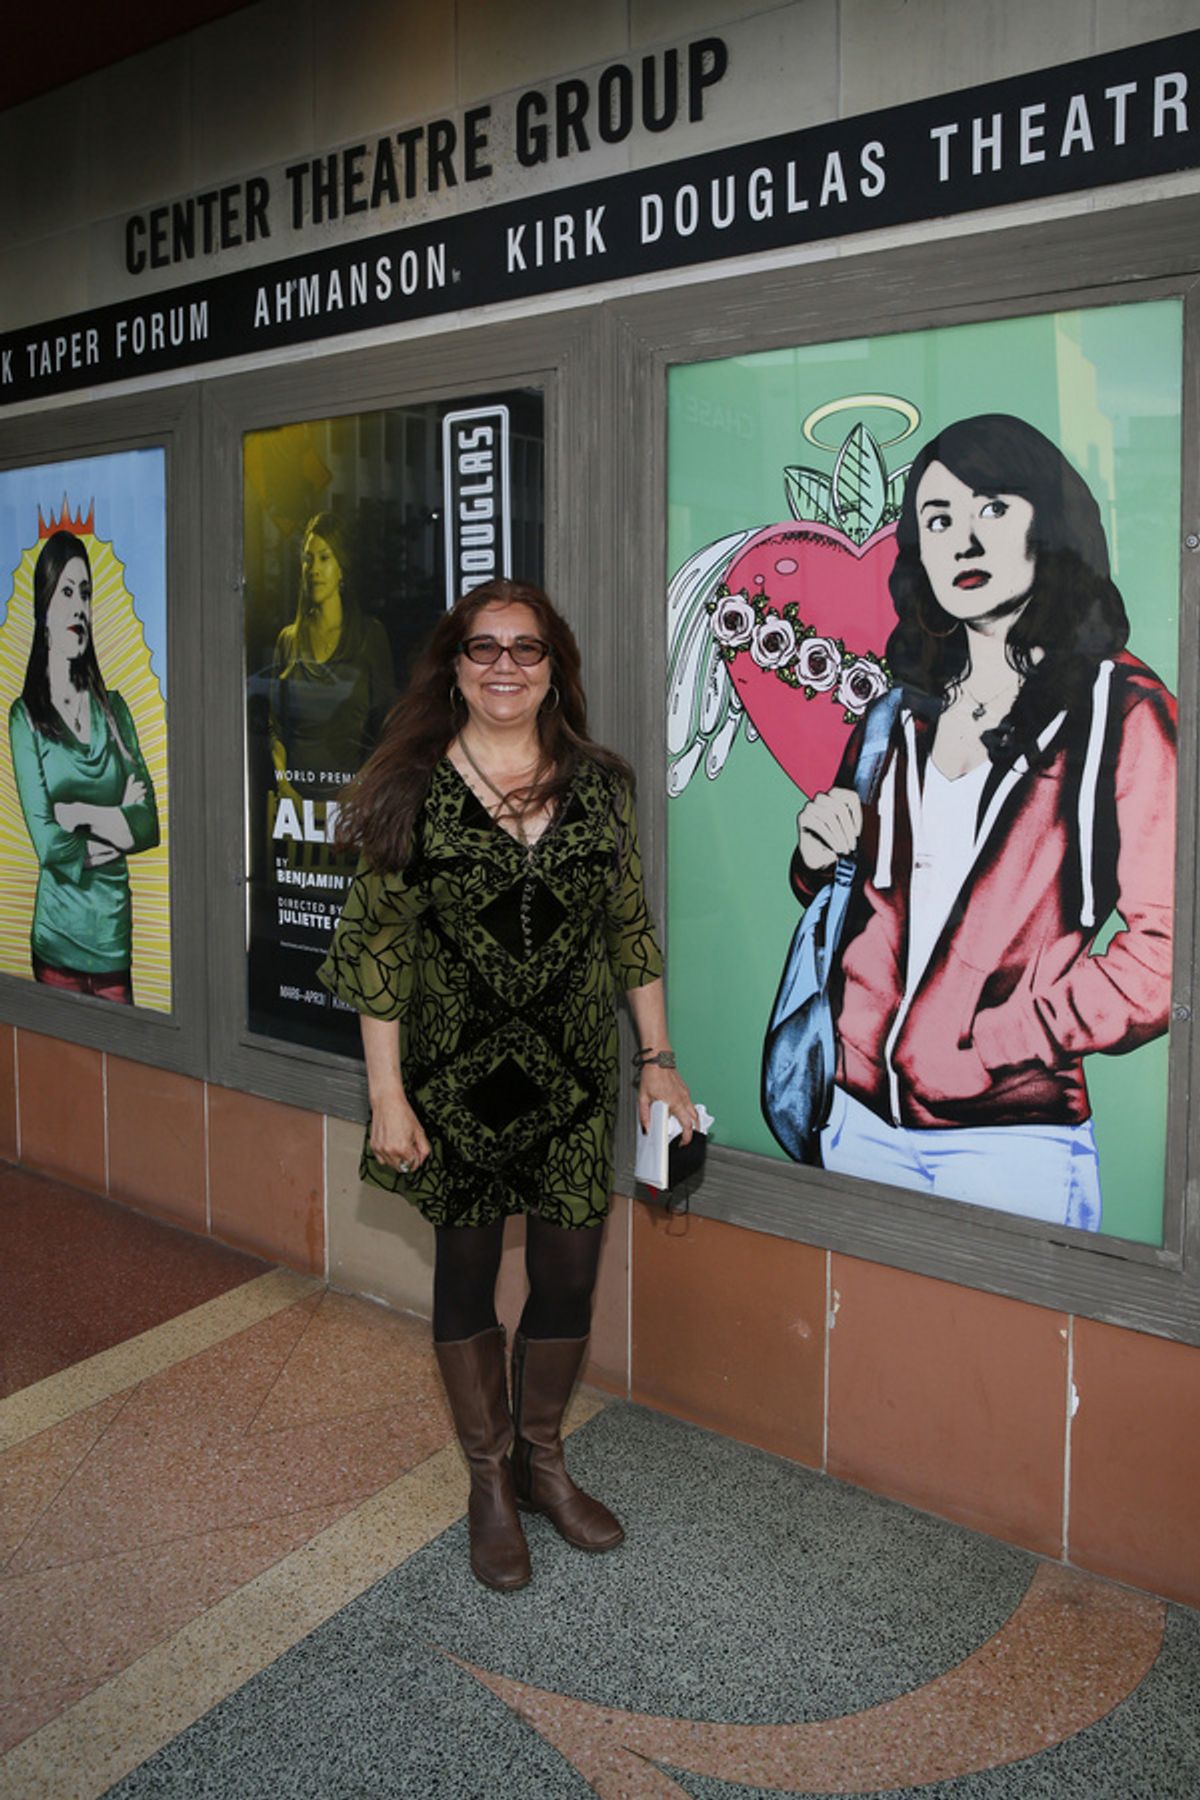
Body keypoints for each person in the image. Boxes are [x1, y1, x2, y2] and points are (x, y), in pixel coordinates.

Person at [320, 577, 696, 1591]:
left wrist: (657, 1062)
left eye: (525, 649)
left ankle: (542, 1461)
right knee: (467, 1275)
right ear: (454, 667)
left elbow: (629, 927)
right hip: (456, 1082)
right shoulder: (410, 790)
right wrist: (388, 1096)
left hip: (576, 1077)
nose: (504, 667)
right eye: (483, 648)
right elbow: (377, 955)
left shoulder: (600, 785)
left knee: (569, 1274)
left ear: (553, 668)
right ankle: (489, 1480)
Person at [790, 414, 1176, 1230]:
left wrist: (997, 1040)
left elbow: (1166, 956)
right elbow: (861, 891)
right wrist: (821, 850)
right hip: (857, 1114)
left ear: (1049, 522)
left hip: (1012, 1140)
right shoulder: (901, 709)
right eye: (938, 521)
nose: (962, 541)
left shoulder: (1119, 710)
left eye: (991, 509)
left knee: (1008, 1360)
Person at [8, 529, 160, 1004]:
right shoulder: (25, 717)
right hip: (55, 942)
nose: (79, 607)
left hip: (113, 940)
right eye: (67, 592)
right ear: (44, 612)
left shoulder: (114, 710)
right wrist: (115, 836)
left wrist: (79, 812)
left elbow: (149, 824)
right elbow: (49, 844)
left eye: (86, 593)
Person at [270, 512, 394, 801]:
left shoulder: (369, 635)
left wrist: (360, 788)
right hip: (294, 810)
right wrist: (284, 786)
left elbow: (388, 725)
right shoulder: (288, 640)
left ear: (342, 568)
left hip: (352, 806)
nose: (314, 569)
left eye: (324, 558)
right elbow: (275, 726)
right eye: (307, 558)